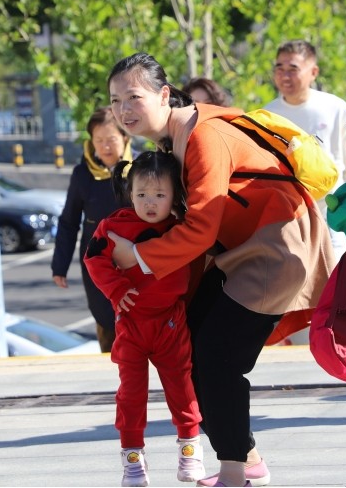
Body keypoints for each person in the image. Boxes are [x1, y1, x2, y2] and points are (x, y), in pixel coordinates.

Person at [105, 52, 334, 487]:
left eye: (134, 97)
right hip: (244, 250)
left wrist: (138, 257)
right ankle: (249, 462)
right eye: (116, 101)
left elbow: (201, 228)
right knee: (189, 349)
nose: (123, 109)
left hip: (274, 248)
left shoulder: (202, 136)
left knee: (216, 360)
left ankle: (235, 472)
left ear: (164, 95)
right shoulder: (175, 139)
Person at [83, 150, 204, 487]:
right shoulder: (113, 226)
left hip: (171, 324)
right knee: (131, 395)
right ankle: (132, 459)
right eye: (142, 195)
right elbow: (94, 259)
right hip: (132, 326)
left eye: (160, 195)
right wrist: (116, 288)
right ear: (130, 193)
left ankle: (190, 450)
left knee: (182, 388)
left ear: (175, 196)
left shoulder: (182, 228)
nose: (150, 203)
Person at [263, 39, 346, 255]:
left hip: (332, 213)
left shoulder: (335, 107)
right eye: (280, 68)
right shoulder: (267, 115)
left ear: (313, 72)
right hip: (286, 217)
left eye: (293, 69)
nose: (285, 76)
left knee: (335, 272)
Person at [51, 106, 132, 352]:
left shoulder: (142, 168)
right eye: (99, 140)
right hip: (98, 262)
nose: (105, 146)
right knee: (107, 322)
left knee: (139, 319)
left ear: (125, 137)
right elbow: (69, 221)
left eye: (111, 139)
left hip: (137, 258)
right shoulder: (82, 174)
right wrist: (60, 265)